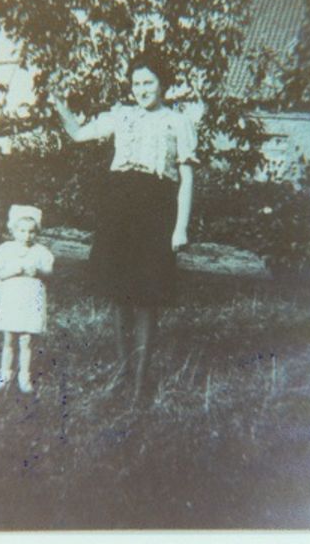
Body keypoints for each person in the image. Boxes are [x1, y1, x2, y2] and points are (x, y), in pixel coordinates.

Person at [55, 51, 199, 405]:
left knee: (147, 296)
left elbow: (186, 179)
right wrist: (61, 106)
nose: (141, 89)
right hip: (118, 207)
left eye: (148, 82)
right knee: (119, 293)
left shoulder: (178, 122)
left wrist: (180, 228)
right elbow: (78, 134)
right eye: (136, 83)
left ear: (163, 84)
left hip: (155, 208)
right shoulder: (121, 115)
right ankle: (122, 374)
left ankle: (139, 384)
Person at [0, 205, 54, 394]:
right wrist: (11, 271)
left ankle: (24, 376)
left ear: (37, 232)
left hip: (30, 301)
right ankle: (4, 375)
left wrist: (38, 272)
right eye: (22, 231)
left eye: (32, 232)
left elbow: (49, 273)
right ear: (13, 230)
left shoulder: (41, 252)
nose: (27, 236)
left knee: (26, 340)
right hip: (11, 300)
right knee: (9, 339)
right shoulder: (4, 250)